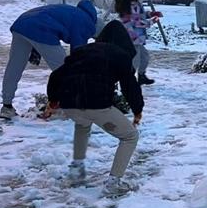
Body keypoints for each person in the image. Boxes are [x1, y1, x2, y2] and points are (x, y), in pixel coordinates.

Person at [44, 20, 144, 196]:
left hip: (69, 103)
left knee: (82, 124)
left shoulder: (82, 51)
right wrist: (137, 110)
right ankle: (113, 183)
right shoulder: (121, 55)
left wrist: (53, 100)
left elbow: (56, 75)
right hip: (97, 104)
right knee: (130, 136)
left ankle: (76, 171)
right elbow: (129, 86)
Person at [0, 0, 98, 120]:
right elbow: (78, 53)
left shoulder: (70, 10)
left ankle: (6, 106)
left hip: (21, 24)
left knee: (15, 66)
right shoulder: (86, 21)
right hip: (42, 30)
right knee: (65, 71)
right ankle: (68, 106)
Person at [115, 0, 161, 85]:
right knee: (135, 60)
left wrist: (150, 14)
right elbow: (137, 22)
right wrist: (152, 21)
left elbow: (139, 16)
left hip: (134, 37)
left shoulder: (133, 4)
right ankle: (129, 80)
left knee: (144, 57)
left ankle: (141, 76)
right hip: (132, 36)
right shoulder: (131, 6)